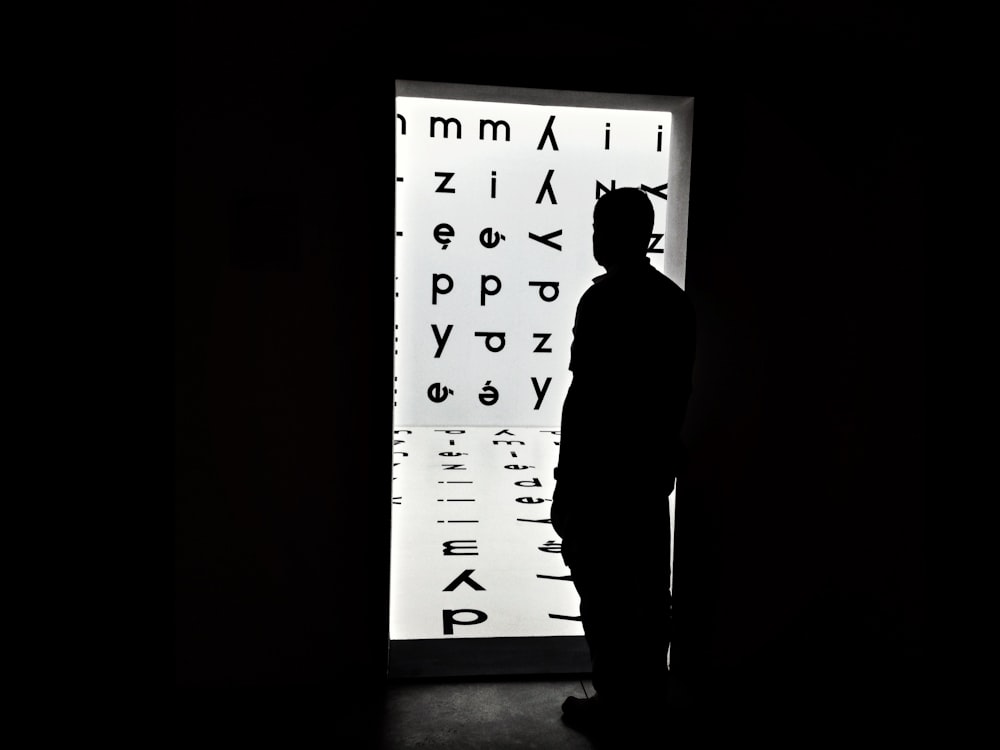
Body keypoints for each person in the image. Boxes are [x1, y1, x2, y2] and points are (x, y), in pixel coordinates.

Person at [551, 187, 696, 735]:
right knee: (646, 587)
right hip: (648, 469)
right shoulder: (673, 302)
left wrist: (567, 478)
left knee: (604, 590)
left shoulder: (603, 301)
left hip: (600, 472)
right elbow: (676, 393)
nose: (594, 237)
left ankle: (614, 700)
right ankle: (647, 697)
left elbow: (585, 398)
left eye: (598, 226)